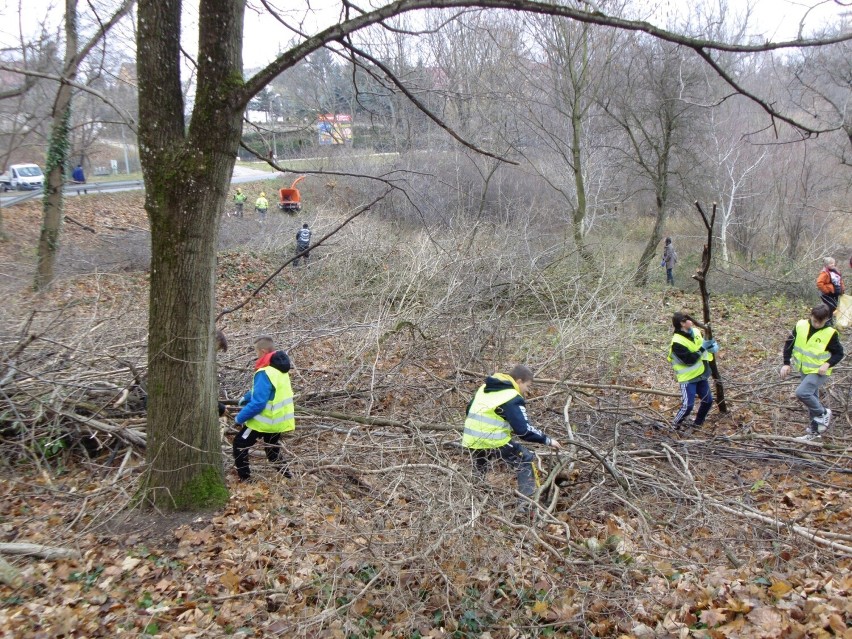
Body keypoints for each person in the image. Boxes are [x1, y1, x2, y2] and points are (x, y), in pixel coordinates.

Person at [462, 365, 561, 516]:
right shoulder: (511, 396)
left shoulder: (485, 388)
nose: (528, 390)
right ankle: (526, 507)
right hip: (493, 440)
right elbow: (524, 431)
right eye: (527, 386)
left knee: (481, 462)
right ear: (519, 381)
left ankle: (472, 498)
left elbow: (469, 409)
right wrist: (547, 440)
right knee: (525, 459)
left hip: (471, 438)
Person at [233, 336, 296, 482]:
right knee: (273, 452)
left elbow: (259, 403)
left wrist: (240, 418)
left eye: (256, 351)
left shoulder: (265, 372)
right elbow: (268, 391)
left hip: (263, 421)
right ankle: (289, 478)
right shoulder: (280, 369)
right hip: (279, 420)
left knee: (239, 445)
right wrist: (247, 396)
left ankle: (246, 480)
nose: (256, 354)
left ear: (262, 351)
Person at [780, 304, 844, 441]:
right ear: (811, 316)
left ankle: (823, 413)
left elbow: (839, 353)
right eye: (814, 320)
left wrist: (827, 364)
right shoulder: (800, 325)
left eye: (820, 322)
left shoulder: (830, 333)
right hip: (804, 369)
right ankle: (815, 433)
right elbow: (789, 343)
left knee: (802, 393)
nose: (816, 324)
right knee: (811, 400)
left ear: (826, 319)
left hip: (819, 371)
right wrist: (786, 363)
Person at [667, 312, 717, 430]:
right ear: (682, 324)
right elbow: (689, 360)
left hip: (701, 374)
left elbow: (703, 345)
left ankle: (698, 424)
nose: (692, 321)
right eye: (688, 319)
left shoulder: (695, 332)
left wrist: (712, 346)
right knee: (687, 406)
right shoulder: (677, 342)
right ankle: (674, 425)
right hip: (688, 378)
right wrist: (703, 347)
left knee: (708, 401)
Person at [816, 257, 844, 322]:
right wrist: (826, 290)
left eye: (833, 263)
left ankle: (829, 320)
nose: (833, 265)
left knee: (834, 306)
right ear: (826, 265)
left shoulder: (836, 272)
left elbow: (840, 281)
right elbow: (819, 283)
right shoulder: (824, 273)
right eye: (831, 263)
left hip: (835, 293)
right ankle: (826, 321)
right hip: (827, 294)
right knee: (830, 306)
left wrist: (842, 289)